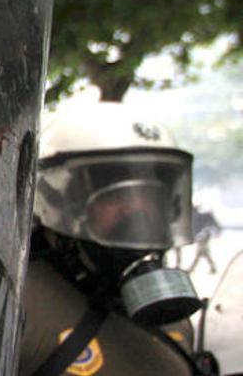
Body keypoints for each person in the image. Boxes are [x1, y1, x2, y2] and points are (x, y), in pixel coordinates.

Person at [19, 102, 217, 376]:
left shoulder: (169, 314)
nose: (137, 211)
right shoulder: (18, 301)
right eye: (114, 195)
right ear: (63, 203)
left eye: (150, 196)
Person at [187, 208, 221, 275]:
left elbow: (199, 227)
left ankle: (191, 269)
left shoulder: (198, 217)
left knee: (200, 252)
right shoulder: (199, 216)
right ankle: (212, 268)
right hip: (203, 235)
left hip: (203, 236)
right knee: (203, 253)